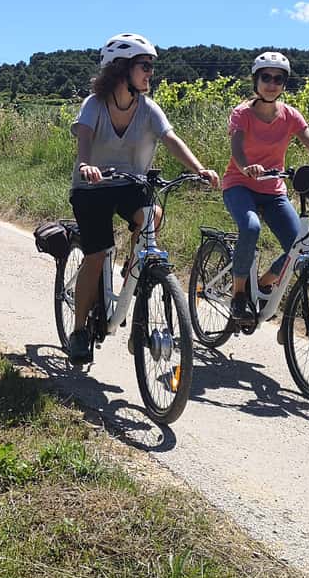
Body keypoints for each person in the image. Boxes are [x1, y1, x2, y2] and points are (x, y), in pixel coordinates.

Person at [68, 33, 219, 364]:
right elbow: (84, 138)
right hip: (92, 187)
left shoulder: (149, 109)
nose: (151, 73)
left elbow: (170, 138)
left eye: (151, 67)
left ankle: (132, 275)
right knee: (96, 254)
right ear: (121, 70)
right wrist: (86, 165)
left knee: (152, 215)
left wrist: (200, 169)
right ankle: (79, 330)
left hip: (130, 183)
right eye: (145, 66)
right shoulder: (94, 105)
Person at [222, 51, 309, 328]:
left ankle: (264, 284)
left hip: (273, 189)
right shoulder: (242, 114)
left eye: (278, 79)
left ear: (284, 84)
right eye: (266, 77)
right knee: (250, 228)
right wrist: (247, 166)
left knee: (299, 245)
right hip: (240, 184)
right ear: (256, 80)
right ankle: (239, 295)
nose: (271, 84)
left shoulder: (290, 116)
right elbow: (237, 148)